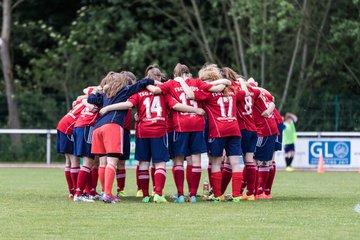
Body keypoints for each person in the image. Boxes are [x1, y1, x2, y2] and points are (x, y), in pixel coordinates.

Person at [147, 63, 228, 203]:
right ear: (188, 73)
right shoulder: (197, 82)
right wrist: (226, 81)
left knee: (178, 160)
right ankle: (192, 195)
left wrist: (144, 82)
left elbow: (155, 90)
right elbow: (216, 88)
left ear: (174, 74)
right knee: (195, 159)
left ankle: (180, 195)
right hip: (198, 124)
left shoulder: (171, 84)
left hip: (181, 125)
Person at [87, 71, 155, 203]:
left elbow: (91, 99)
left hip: (98, 128)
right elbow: (145, 82)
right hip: (112, 126)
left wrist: (98, 89)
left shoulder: (105, 95)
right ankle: (107, 194)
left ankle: (104, 192)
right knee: (112, 162)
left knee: (102, 163)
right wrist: (152, 81)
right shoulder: (124, 90)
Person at [196, 65, 244, 202]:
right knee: (235, 163)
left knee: (216, 163)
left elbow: (195, 93)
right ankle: (236, 195)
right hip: (234, 128)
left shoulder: (207, 93)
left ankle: (217, 195)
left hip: (218, 130)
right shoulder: (231, 90)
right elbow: (244, 92)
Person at [56, 95, 86, 199]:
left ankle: (72, 191)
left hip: (62, 125)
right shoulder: (93, 102)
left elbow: (77, 99)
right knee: (75, 160)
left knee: (68, 161)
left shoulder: (82, 101)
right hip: (68, 128)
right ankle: (75, 191)